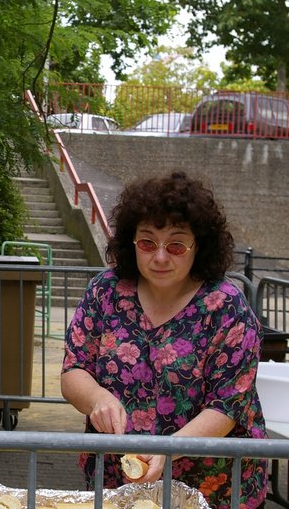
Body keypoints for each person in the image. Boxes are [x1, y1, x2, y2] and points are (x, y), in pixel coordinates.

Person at [60, 171, 268, 509]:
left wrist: (167, 448)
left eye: (175, 245)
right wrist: (96, 397)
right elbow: (74, 371)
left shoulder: (227, 307)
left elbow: (228, 405)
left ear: (198, 245)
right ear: (131, 242)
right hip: (118, 479)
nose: (159, 257)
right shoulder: (105, 291)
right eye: (147, 242)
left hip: (212, 488)